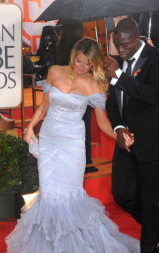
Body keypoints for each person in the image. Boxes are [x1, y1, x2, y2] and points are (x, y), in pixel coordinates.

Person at [3, 37, 140, 253]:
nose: (81, 67)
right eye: (79, 61)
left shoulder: (95, 85)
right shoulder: (55, 72)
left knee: (69, 196)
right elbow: (44, 106)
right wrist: (30, 127)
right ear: (73, 55)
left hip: (73, 146)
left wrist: (121, 134)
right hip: (49, 140)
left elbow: (103, 123)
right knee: (50, 195)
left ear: (93, 65)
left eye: (87, 64)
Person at [105, 17, 159, 253]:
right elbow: (112, 103)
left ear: (137, 38)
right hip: (127, 141)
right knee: (121, 194)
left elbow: (150, 94)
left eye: (124, 45)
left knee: (150, 199)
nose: (120, 51)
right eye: (117, 46)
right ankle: (154, 225)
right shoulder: (116, 63)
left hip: (155, 141)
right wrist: (118, 128)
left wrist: (119, 76)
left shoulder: (158, 58)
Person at [56, 22, 97, 173]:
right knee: (83, 128)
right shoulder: (81, 48)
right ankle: (86, 162)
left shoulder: (61, 47)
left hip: (64, 93)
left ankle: (70, 161)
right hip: (80, 92)